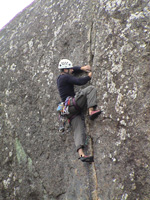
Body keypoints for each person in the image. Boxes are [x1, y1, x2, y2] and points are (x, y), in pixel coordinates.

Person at [57, 59, 101, 162]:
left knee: (78, 129)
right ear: (65, 69)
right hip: (73, 103)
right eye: (69, 69)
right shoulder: (65, 77)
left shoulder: (61, 77)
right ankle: (91, 111)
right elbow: (79, 82)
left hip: (68, 111)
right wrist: (89, 76)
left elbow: (73, 70)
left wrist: (81, 68)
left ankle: (81, 154)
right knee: (90, 89)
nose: (72, 70)